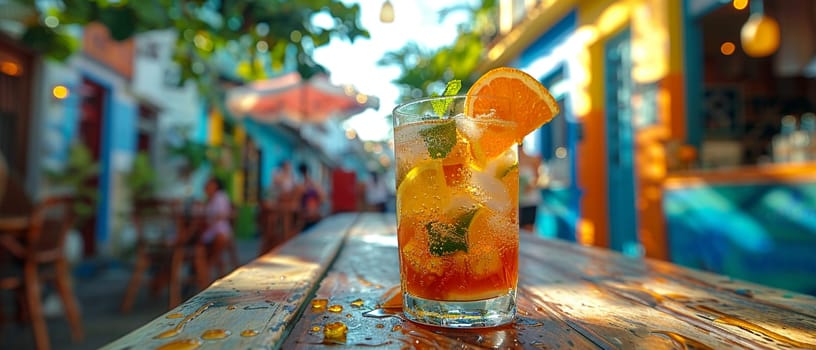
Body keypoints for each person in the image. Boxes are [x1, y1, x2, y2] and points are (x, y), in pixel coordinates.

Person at [199, 177, 233, 279]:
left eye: (209, 184)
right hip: (213, 231)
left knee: (202, 248)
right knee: (202, 248)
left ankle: (207, 267)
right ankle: (207, 268)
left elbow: (221, 215)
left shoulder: (220, 197)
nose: (206, 187)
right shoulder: (211, 199)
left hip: (218, 231)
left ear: (215, 186)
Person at [518, 145, 542, 233]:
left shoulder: (533, 159)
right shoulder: (508, 162)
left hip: (529, 199)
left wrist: (530, 186)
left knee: (528, 227)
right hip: (515, 201)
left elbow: (537, 178)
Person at [296, 163, 325, 231]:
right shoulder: (300, 186)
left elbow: (322, 197)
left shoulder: (313, 184)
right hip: (306, 215)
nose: (305, 175)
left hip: (312, 214)